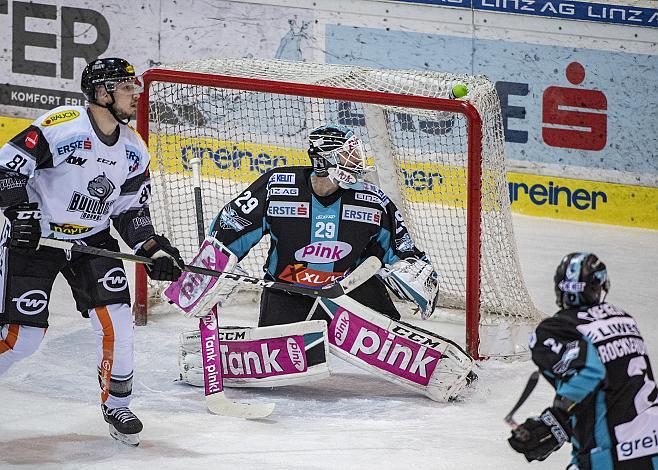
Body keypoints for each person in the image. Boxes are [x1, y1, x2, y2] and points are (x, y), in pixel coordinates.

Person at [0, 58, 184, 446]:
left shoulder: (135, 149)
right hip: (38, 240)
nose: (137, 93)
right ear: (102, 93)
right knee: (24, 338)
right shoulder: (61, 126)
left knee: (118, 319)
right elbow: (7, 171)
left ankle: (118, 403)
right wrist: (22, 212)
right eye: (127, 87)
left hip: (93, 241)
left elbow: (131, 210)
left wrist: (151, 247)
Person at [208, 124, 439, 326]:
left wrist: (413, 269)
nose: (358, 161)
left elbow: (401, 247)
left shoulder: (372, 200)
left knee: (389, 340)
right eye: (350, 155)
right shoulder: (277, 187)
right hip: (288, 288)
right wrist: (216, 263)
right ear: (325, 160)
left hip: (351, 288)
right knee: (280, 350)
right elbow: (232, 224)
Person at [508, 252, 658, 469]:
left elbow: (590, 374)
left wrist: (557, 419)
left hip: (611, 455)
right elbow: (615, 386)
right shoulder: (624, 319)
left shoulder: (554, 330)